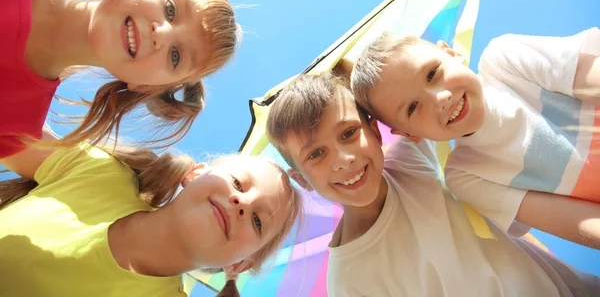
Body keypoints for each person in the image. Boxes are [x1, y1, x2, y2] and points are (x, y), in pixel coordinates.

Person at [266, 72, 600, 296]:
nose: (342, 159)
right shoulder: (349, 281)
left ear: (374, 128)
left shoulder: (405, 159)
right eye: (317, 154)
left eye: (349, 133)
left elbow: (397, 92)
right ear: (302, 181)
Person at [0, 0, 241, 160]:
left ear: (146, 86)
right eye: (171, 9)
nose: (161, 34)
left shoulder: (15, 129)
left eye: (175, 56)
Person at [350, 29, 600, 249]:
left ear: (451, 53)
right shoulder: (466, 175)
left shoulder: (506, 61)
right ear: (409, 134)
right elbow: (577, 221)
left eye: (432, 74)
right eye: (413, 108)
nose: (440, 99)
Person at [0, 139, 302, 296]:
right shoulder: (98, 171)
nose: (242, 202)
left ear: (239, 265)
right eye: (238, 183)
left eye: (258, 221)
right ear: (196, 174)